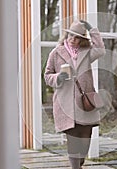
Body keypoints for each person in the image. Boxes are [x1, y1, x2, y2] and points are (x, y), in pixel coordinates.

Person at [44, 20, 106, 169]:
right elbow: (47, 75)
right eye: (71, 35)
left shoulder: (87, 52)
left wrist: (92, 30)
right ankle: (75, 167)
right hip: (65, 103)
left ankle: (80, 163)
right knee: (73, 138)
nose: (73, 39)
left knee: (85, 140)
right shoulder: (56, 52)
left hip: (85, 102)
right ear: (67, 34)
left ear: (82, 39)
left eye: (77, 37)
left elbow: (101, 49)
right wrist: (57, 77)